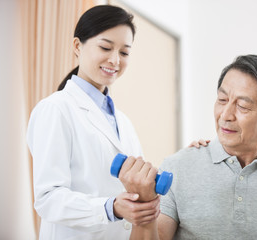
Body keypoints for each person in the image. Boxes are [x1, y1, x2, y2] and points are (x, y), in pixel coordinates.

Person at [27, 5, 208, 240]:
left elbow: (136, 178)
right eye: (105, 47)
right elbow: (48, 198)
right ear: (77, 46)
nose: (114, 60)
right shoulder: (55, 109)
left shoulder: (122, 121)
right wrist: (110, 208)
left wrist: (186, 158)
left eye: (124, 52)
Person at [117, 55, 257, 240]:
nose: (225, 115)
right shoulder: (178, 167)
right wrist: (144, 207)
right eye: (222, 99)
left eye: (242, 106)